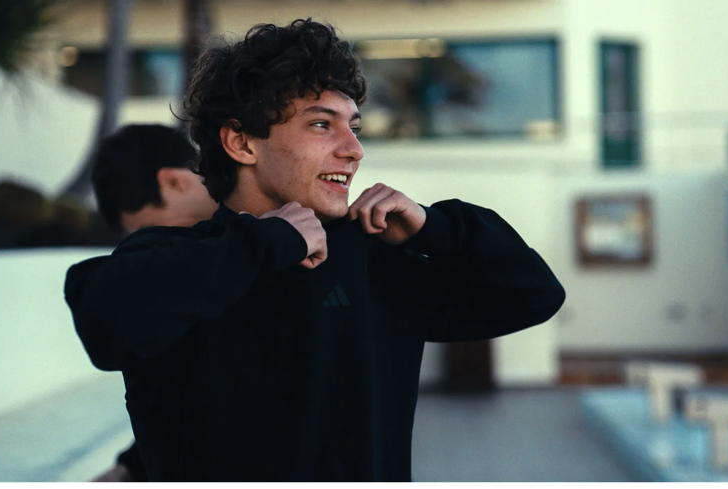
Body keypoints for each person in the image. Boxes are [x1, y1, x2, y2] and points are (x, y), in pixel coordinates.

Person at [64, 19, 566, 482]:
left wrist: (436, 228)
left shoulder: (373, 263)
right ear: (241, 143)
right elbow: (107, 324)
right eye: (322, 124)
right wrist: (274, 239)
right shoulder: (173, 259)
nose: (354, 149)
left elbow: (534, 295)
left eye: (354, 127)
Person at [86, 124, 218, 482]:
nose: (151, 263)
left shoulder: (278, 237)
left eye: (151, 236)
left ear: (173, 181)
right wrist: (132, 466)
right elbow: (183, 390)